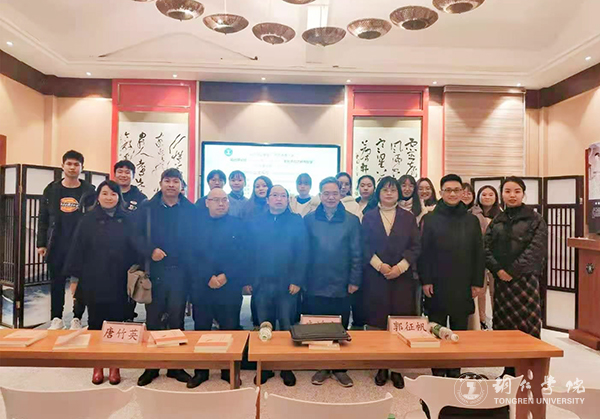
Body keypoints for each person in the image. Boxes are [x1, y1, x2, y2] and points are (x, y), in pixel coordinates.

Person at [64, 181, 137, 385]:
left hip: (119, 279)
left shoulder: (127, 219)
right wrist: (74, 279)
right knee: (96, 322)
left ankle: (114, 365)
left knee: (117, 323)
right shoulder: (87, 220)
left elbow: (135, 248)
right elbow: (77, 249)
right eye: (105, 193)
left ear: (119, 197)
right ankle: (98, 365)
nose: (109, 197)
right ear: (98, 196)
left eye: (113, 194)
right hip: (93, 278)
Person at [135, 168, 198, 387]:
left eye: (176, 181)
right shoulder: (147, 208)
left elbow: (196, 240)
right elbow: (135, 236)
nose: (171, 185)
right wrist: (149, 251)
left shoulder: (190, 209)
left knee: (176, 319)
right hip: (156, 272)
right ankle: (151, 366)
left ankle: (175, 366)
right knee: (153, 320)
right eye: (167, 181)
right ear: (161, 183)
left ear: (182, 185)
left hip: (180, 272)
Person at [418, 174, 485, 378]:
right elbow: (424, 252)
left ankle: (455, 369)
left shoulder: (471, 220)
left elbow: (478, 252)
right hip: (436, 282)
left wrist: (477, 282)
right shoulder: (430, 219)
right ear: (441, 192)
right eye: (448, 190)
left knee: (460, 329)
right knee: (436, 328)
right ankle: (437, 369)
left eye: (457, 190)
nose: (453, 194)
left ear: (463, 192)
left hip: (463, 282)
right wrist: (426, 280)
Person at [484, 177, 547, 377]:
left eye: (517, 191)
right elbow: (486, 248)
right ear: (502, 194)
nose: (512, 195)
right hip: (502, 282)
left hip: (525, 281)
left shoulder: (535, 219)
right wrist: (498, 270)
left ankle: (530, 372)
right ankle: (509, 370)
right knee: (505, 325)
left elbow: (536, 249)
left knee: (527, 325)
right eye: (508, 191)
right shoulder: (497, 220)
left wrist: (512, 271)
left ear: (523, 194)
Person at [362, 177, 421, 389]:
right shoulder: (368, 217)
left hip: (401, 278)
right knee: (378, 323)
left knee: (399, 323)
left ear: (399, 193)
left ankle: (396, 369)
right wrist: (380, 266)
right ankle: (381, 366)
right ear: (378, 193)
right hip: (376, 277)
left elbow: (416, 246)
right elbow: (363, 246)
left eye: (393, 190)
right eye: (385, 190)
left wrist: (400, 267)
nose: (389, 194)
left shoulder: (408, 217)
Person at [304, 177, 362, 388]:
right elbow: (303, 252)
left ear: (341, 195)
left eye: (334, 193)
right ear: (320, 195)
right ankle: (321, 366)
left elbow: (357, 253)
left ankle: (339, 367)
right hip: (315, 282)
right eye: (326, 193)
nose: (330, 197)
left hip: (341, 282)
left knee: (340, 326)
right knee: (318, 327)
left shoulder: (352, 220)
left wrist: (354, 280)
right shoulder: (309, 220)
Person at [188, 188, 248, 388]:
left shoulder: (238, 225)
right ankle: (201, 371)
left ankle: (228, 369)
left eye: (224, 200)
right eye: (216, 200)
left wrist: (225, 275)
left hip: (229, 286)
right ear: (207, 202)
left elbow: (243, 254)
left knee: (230, 329)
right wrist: (208, 277)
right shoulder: (196, 225)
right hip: (202, 285)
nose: (221, 203)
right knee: (201, 329)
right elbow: (191, 255)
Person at [250, 185, 309, 387]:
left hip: (287, 283)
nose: (278, 198)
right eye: (274, 195)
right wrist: (250, 280)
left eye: (283, 195)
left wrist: (297, 280)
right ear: (267, 199)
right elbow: (249, 252)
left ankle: (286, 367)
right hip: (262, 283)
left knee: (286, 325)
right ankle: (265, 367)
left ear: (287, 200)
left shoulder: (296, 221)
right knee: (264, 325)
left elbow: (303, 251)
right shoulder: (256, 221)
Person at [36, 150, 95, 330]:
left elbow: (93, 218)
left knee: (81, 283)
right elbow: (43, 217)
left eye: (76, 164)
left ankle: (77, 318)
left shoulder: (89, 190)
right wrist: (41, 243)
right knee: (57, 283)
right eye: (69, 163)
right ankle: (56, 318)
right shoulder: (52, 189)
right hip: (57, 243)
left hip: (80, 244)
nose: (72, 167)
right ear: (62, 166)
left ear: (82, 168)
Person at [113, 159, 148, 322]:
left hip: (132, 250)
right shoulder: (109, 193)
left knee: (130, 285)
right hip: (110, 250)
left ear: (133, 175)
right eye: (120, 171)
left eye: (127, 172)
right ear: (114, 174)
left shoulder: (141, 198)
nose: (123, 175)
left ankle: (128, 317)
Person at [241, 175, 273, 328]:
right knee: (257, 296)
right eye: (257, 186)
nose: (261, 189)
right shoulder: (247, 208)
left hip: (273, 259)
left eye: (264, 185)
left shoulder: (276, 205)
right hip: (254, 258)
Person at [470, 185, 502, 329]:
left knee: (496, 291)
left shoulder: (501, 216)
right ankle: (481, 320)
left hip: (496, 259)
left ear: (496, 197)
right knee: (480, 291)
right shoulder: (473, 214)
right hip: (479, 258)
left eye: (490, 194)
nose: (487, 197)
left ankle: (497, 320)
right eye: (484, 194)